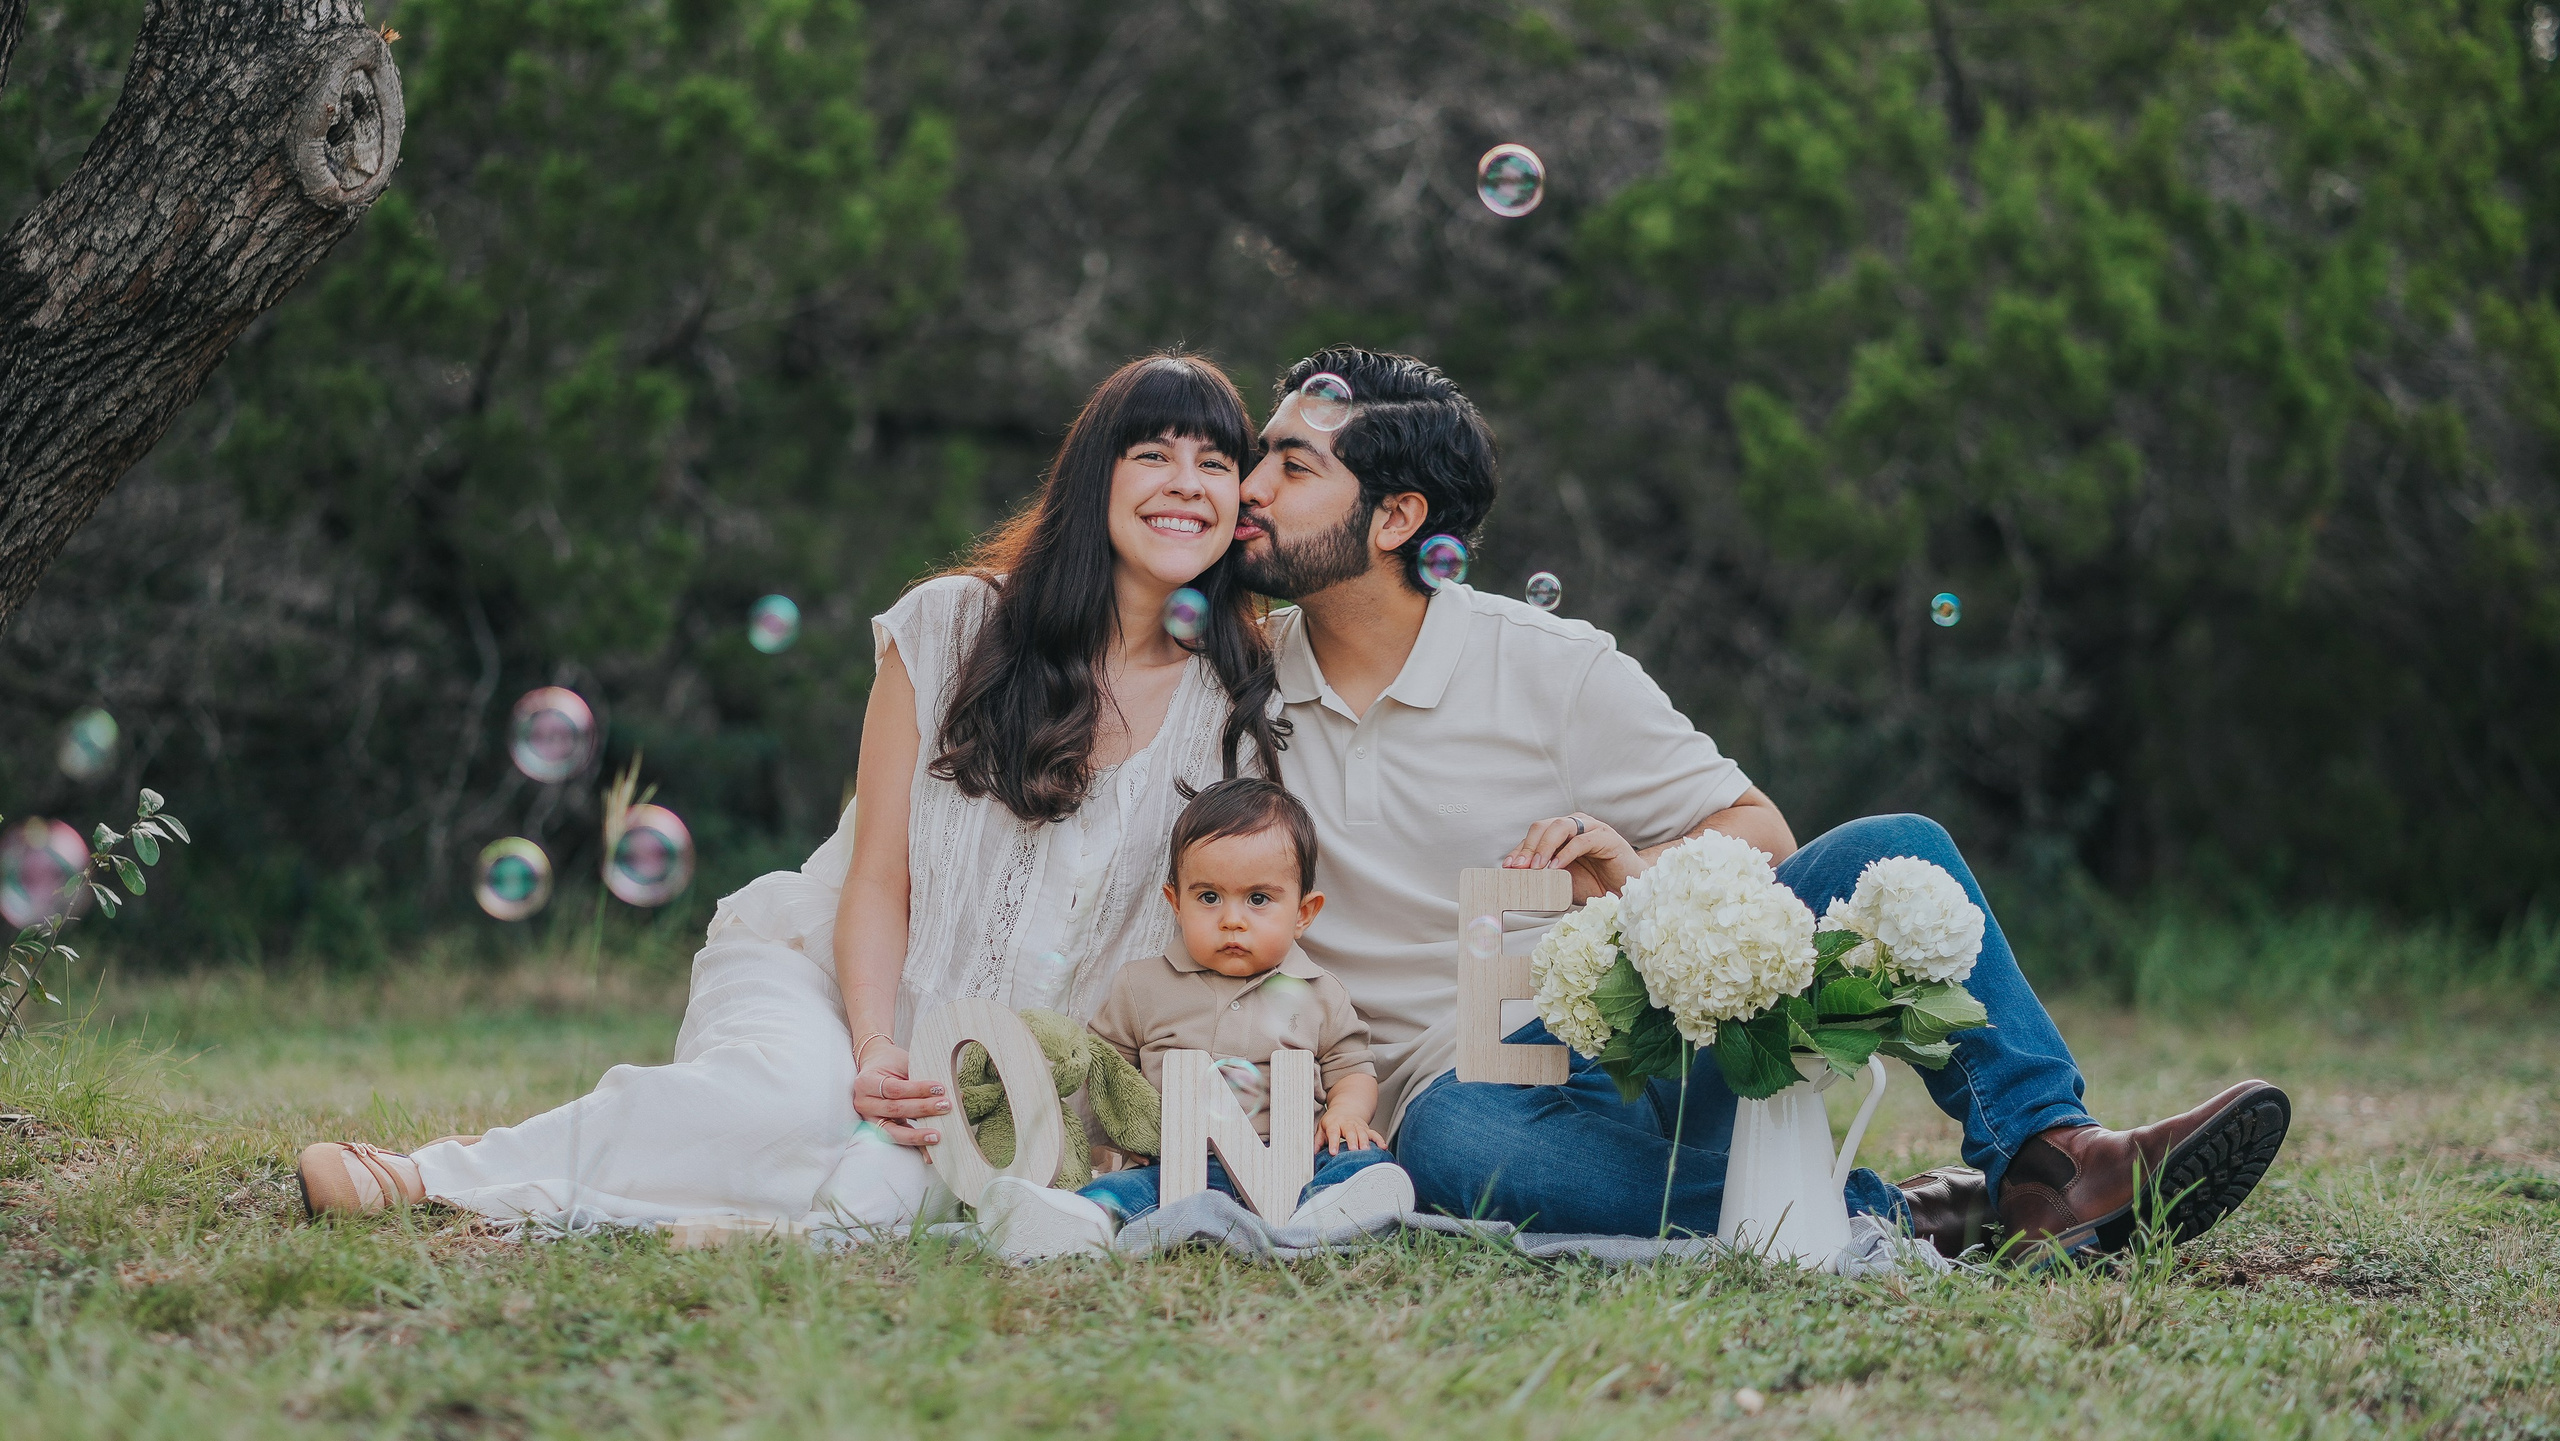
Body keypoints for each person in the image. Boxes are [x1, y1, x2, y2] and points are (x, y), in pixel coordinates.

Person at [1228, 346, 2292, 1257]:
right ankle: (1896, 1214)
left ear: (1395, 517)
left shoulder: (1550, 665)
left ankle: (2053, 1155)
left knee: (1897, 847)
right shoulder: (1237, 681)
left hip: (1626, 1050)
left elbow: (1757, 836)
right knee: (1454, 1137)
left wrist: (1628, 873)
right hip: (1447, 1104)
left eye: (1289, 463)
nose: (1249, 486)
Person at [295, 353, 1291, 1231]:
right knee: (778, 1106)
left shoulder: (1239, 698)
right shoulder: (950, 628)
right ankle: (432, 1176)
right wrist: (871, 1050)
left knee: (912, 1192)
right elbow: (876, 877)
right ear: (1094, 477)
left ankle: (739, 1229)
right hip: (835, 988)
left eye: (1214, 461)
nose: (1186, 484)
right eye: (1152, 453)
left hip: (1008, 1076)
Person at [977, 778, 1414, 1262]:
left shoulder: (1319, 991)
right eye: (1209, 897)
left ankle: (1323, 1216)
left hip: (1294, 1160)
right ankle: (1080, 1223)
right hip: (1181, 1164)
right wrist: (1126, 1135)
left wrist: (1347, 1112)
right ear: (1176, 903)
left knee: (1363, 1164)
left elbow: (1351, 1066)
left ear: (1303, 913)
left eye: (1259, 899)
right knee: (1125, 1190)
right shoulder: (1142, 987)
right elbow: (1106, 1070)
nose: (1232, 919)